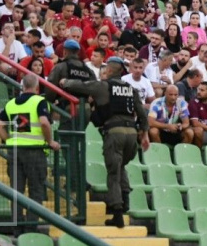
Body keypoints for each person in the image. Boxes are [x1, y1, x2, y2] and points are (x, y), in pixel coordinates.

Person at [60, 59, 149, 227]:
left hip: (114, 133)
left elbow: (78, 86)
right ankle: (126, 201)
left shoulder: (102, 86)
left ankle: (117, 214)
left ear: (107, 71)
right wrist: (144, 134)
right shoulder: (131, 89)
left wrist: (65, 81)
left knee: (113, 173)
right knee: (121, 166)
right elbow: (142, 114)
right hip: (131, 135)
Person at [0, 74, 60, 227]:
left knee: (16, 193)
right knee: (36, 191)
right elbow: (44, 123)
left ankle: (17, 228)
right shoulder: (39, 101)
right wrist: (50, 141)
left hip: (15, 152)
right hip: (34, 152)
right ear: (37, 88)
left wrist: (8, 140)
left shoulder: (11, 104)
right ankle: (31, 228)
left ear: (22, 86)